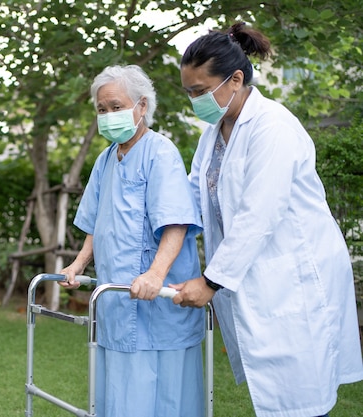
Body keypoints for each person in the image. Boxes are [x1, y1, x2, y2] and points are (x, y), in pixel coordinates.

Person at [170, 22, 363, 417]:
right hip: (260, 276)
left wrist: (210, 281)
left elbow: (259, 215)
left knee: (301, 396)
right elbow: (192, 199)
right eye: (189, 93)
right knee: (280, 394)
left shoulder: (272, 127)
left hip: (296, 276)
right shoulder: (214, 134)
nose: (194, 101)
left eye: (201, 91)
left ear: (236, 79)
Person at [60, 64, 205, 417]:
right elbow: (97, 221)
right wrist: (79, 263)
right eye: (102, 109)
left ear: (142, 106)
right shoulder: (105, 159)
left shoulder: (161, 152)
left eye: (116, 107)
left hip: (158, 303)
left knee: (162, 396)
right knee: (119, 394)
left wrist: (155, 275)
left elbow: (176, 223)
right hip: (117, 298)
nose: (109, 116)